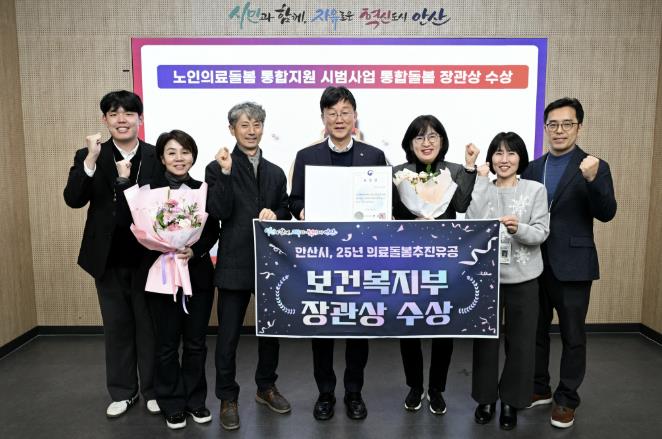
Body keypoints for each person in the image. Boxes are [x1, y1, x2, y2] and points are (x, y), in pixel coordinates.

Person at [289, 86, 387, 421]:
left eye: (345, 112)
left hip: (362, 258)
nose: (339, 119)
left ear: (355, 116)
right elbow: (295, 199)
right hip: (321, 257)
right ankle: (326, 393)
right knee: (323, 327)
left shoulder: (374, 156)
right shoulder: (307, 156)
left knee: (359, 326)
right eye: (332, 113)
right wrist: (302, 211)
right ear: (323, 118)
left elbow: (384, 203)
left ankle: (354, 392)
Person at [63, 90, 162, 418]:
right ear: (104, 120)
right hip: (106, 256)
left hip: (149, 258)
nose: (122, 119)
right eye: (114, 113)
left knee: (149, 328)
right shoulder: (89, 154)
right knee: (117, 326)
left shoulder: (155, 154)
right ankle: (123, 391)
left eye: (128, 113)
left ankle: (153, 390)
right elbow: (73, 199)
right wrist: (90, 161)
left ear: (139, 119)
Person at [521, 97, 616, 428]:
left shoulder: (594, 166)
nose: (559, 130)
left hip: (574, 264)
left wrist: (592, 180)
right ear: (545, 128)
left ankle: (566, 399)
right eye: (553, 124)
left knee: (573, 335)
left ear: (579, 127)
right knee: (535, 330)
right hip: (533, 262)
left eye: (567, 124)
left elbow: (607, 212)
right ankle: (539, 387)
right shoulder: (533, 168)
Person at [116, 130, 219, 430]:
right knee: (166, 344)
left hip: (196, 276)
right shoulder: (147, 192)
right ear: (161, 157)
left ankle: (195, 401)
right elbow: (129, 224)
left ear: (193, 156)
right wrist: (123, 183)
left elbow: (213, 230)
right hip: (160, 275)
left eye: (185, 152)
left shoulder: (203, 189)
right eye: (172, 152)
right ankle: (171, 403)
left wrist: (194, 250)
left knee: (196, 343)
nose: (179, 158)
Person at [205, 102, 292, 431]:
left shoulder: (275, 172)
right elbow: (219, 211)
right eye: (244, 125)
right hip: (234, 262)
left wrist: (277, 214)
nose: (252, 131)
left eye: (257, 124)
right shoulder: (218, 167)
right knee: (227, 336)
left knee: (270, 332)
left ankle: (266, 387)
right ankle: (227, 397)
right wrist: (226, 174)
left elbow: (285, 210)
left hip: (270, 262)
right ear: (232, 130)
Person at [392, 115, 478, 415]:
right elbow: (387, 210)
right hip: (407, 260)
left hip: (445, 260)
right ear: (409, 143)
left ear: (442, 141)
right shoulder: (398, 173)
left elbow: (462, 204)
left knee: (443, 324)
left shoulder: (453, 171)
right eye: (419, 137)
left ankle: (437, 388)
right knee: (409, 324)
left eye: (432, 136)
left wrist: (470, 167)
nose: (426, 143)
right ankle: (415, 386)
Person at [466, 132, 549, 430]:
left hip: (525, 279)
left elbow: (541, 232)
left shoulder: (535, 190)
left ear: (520, 158)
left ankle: (512, 401)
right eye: (498, 153)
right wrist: (479, 182)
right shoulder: (484, 187)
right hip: (487, 277)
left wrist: (519, 229)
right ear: (491, 158)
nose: (504, 159)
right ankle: (485, 399)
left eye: (511, 153)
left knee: (522, 343)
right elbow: (471, 223)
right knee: (485, 342)